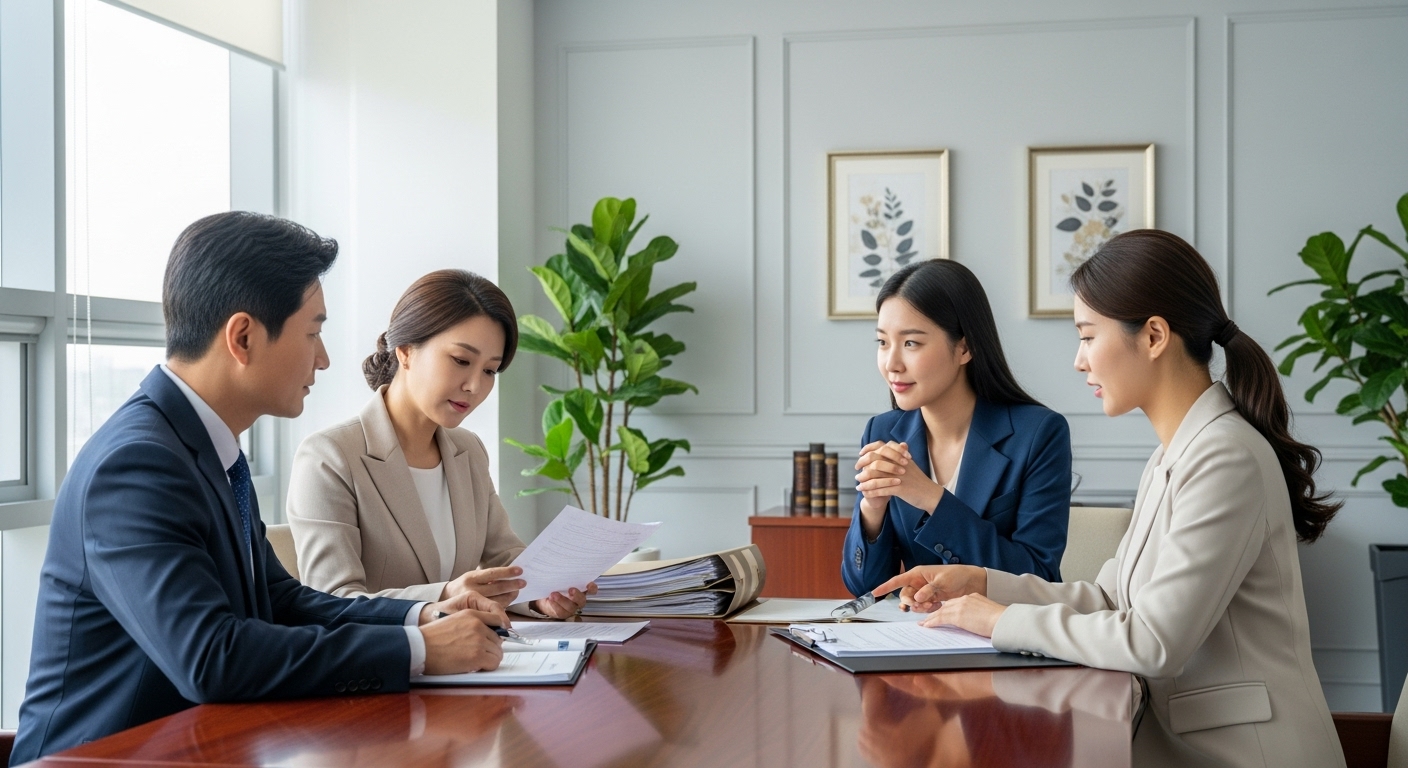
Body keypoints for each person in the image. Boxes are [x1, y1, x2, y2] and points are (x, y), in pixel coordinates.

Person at [12, 213, 510, 763]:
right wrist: (416, 650)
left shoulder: (205, 446)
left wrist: (422, 617)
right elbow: (212, 657)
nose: (322, 358)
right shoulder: (138, 464)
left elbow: (279, 600)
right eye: (314, 332)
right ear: (244, 337)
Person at [874, 231, 1345, 768]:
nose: (1079, 361)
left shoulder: (1224, 457)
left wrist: (995, 620)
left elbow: (1153, 641)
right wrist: (981, 584)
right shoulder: (1178, 453)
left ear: (1153, 337)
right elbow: (1108, 598)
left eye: (1088, 336)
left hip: (1245, 754)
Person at [287, 270, 591, 618]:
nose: (475, 386)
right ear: (405, 351)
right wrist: (444, 596)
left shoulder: (468, 450)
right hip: (386, 665)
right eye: (461, 361)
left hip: (477, 660)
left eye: (490, 371)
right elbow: (332, 600)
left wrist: (541, 595)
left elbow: (506, 559)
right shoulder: (329, 457)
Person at [842, 260, 1072, 597]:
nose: (891, 364)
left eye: (911, 344)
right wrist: (871, 510)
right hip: (917, 637)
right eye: (882, 343)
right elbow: (868, 590)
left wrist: (931, 497)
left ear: (964, 347)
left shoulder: (1039, 433)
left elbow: (1038, 578)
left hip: (1004, 637)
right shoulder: (883, 431)